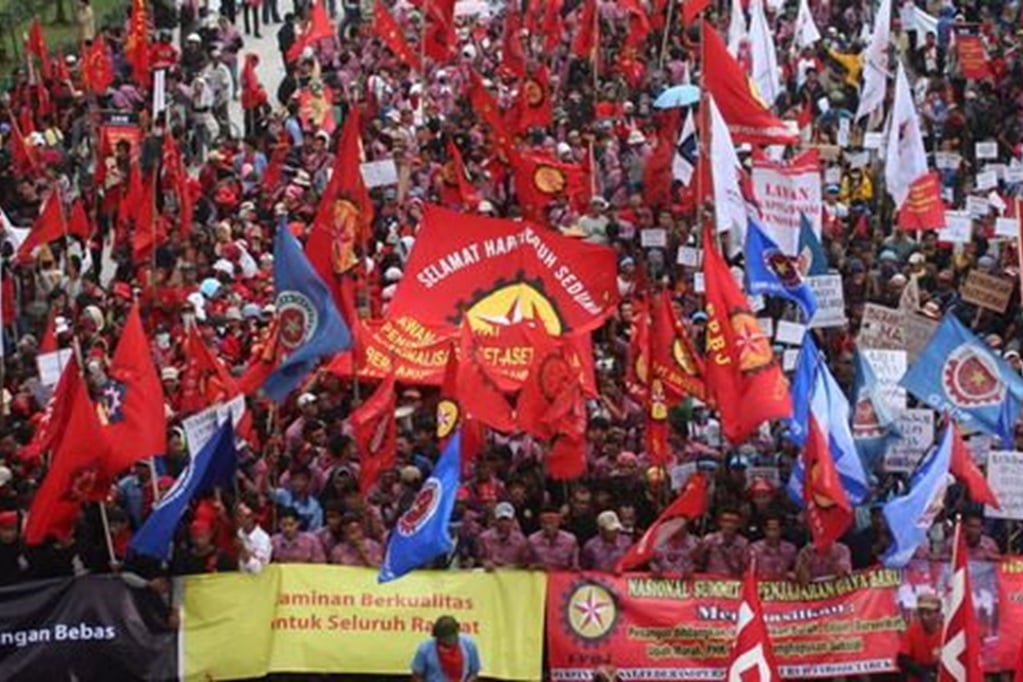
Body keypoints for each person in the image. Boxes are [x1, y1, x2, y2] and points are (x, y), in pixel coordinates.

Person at [410, 615, 481, 682]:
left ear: (457, 631)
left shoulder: (469, 644)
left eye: (449, 637)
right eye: (442, 637)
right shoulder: (424, 648)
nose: (446, 640)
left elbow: (474, 672)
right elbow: (417, 675)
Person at [897, 592, 942, 681]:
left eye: (929, 613)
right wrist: (923, 673)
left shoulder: (946, 632)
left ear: (938, 613)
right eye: (921, 613)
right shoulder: (912, 630)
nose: (924, 617)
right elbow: (902, 659)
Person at [476, 502, 530, 570]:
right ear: (495, 520)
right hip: (490, 575)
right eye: (501, 520)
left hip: (512, 576)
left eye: (507, 520)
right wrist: (485, 563)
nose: (504, 523)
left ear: (512, 521)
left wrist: (514, 566)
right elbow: (479, 559)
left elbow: (526, 563)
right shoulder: (484, 538)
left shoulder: (521, 540)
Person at [527, 506, 579, 571]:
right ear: (540, 523)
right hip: (540, 577)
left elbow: (575, 567)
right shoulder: (532, 540)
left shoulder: (570, 540)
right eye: (545, 523)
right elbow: (528, 566)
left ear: (559, 522)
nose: (548, 527)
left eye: (552, 523)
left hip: (563, 577)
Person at [235, 502, 272, 574]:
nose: (237, 519)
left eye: (240, 516)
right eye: (236, 516)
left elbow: (258, 570)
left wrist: (243, 550)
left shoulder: (263, 539)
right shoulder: (238, 533)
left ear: (251, 517)